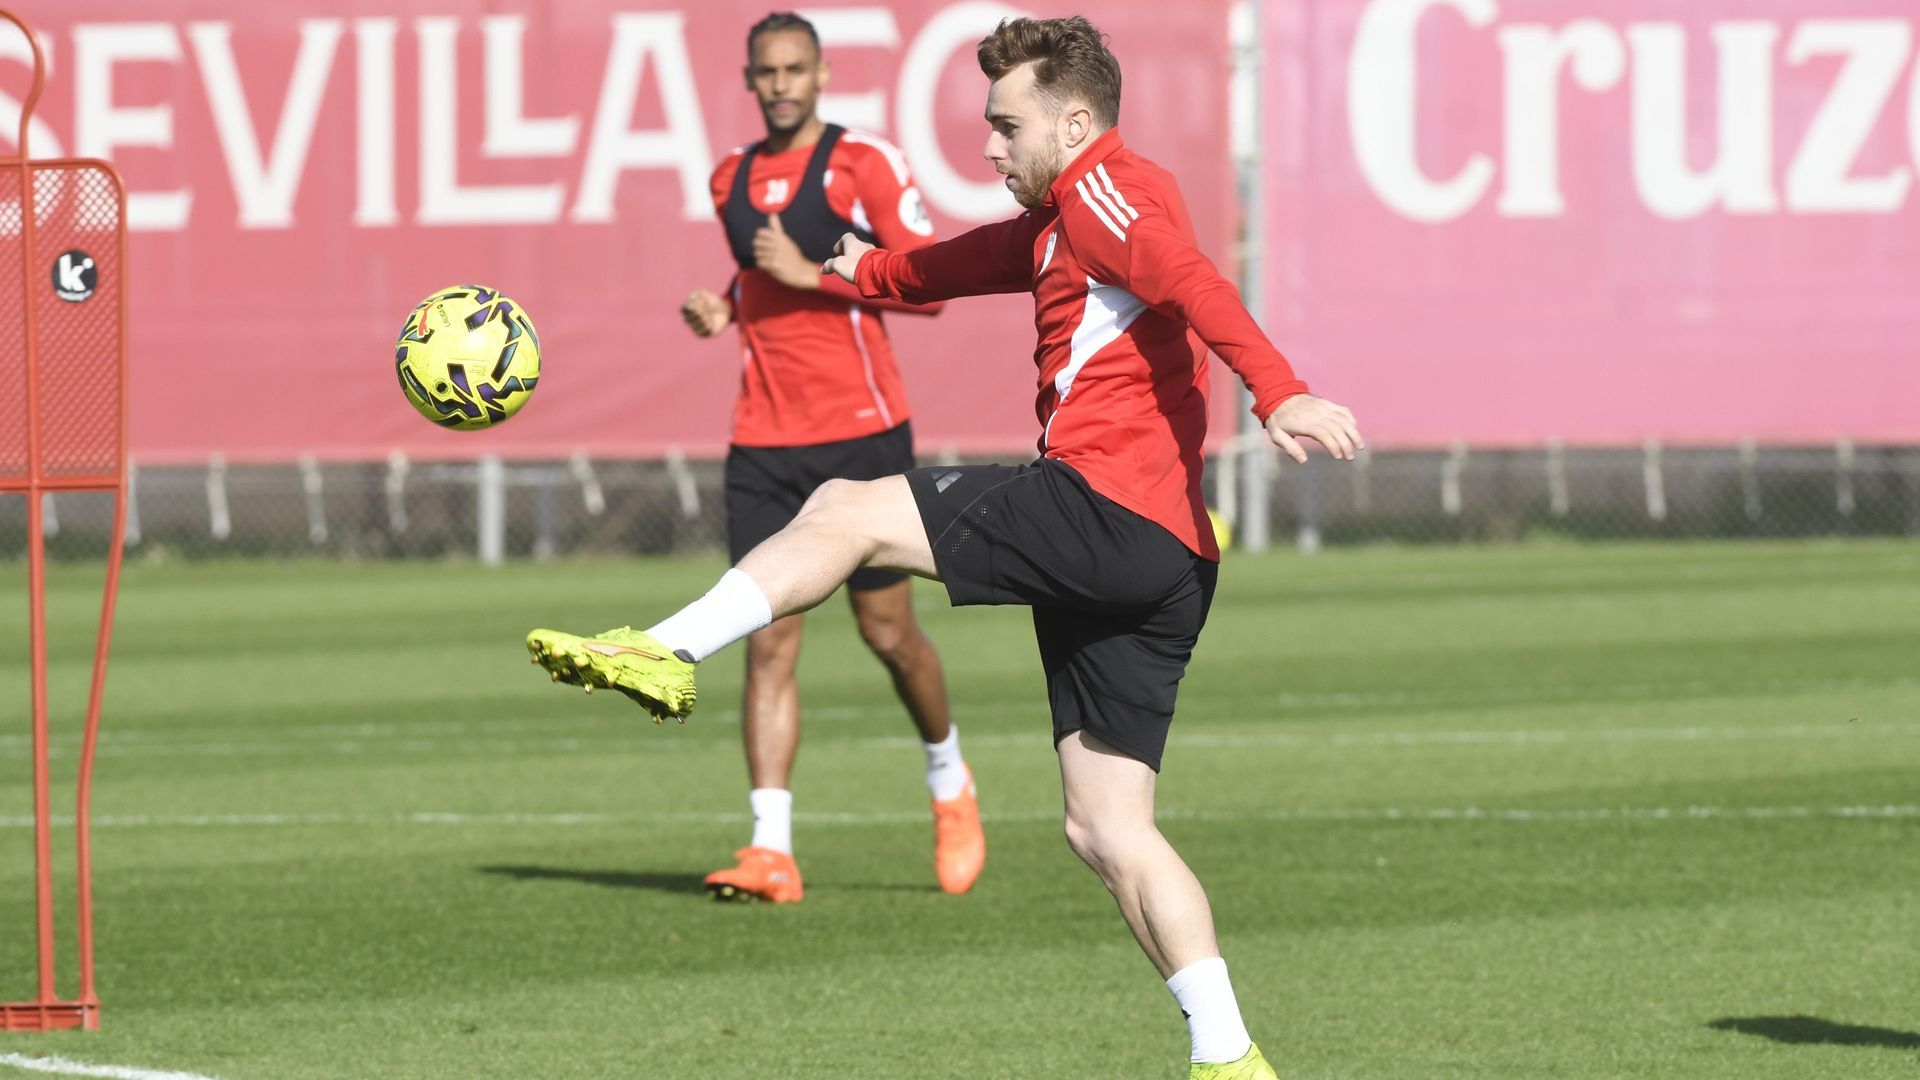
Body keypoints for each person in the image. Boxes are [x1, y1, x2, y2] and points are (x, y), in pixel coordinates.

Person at [528, 15, 1363, 1078]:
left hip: (1104, 511)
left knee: (844, 505)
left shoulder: (1114, 192)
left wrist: (1278, 389)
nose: (989, 148)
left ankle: (667, 649)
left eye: (1006, 127)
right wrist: (859, 268)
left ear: (1073, 121)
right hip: (1162, 556)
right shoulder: (1057, 218)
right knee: (1108, 832)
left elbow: (1193, 282)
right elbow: (936, 270)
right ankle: (1230, 1055)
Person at [674, 11, 984, 903]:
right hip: (762, 441)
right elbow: (752, 269)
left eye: (795, 69)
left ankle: (949, 781)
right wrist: (726, 306)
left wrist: (817, 274)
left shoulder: (866, 164)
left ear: (821, 73)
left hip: (860, 434)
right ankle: (771, 849)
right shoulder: (730, 176)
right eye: (766, 71)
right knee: (766, 642)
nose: (780, 83)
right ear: (749, 78)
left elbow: (930, 283)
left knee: (888, 633)